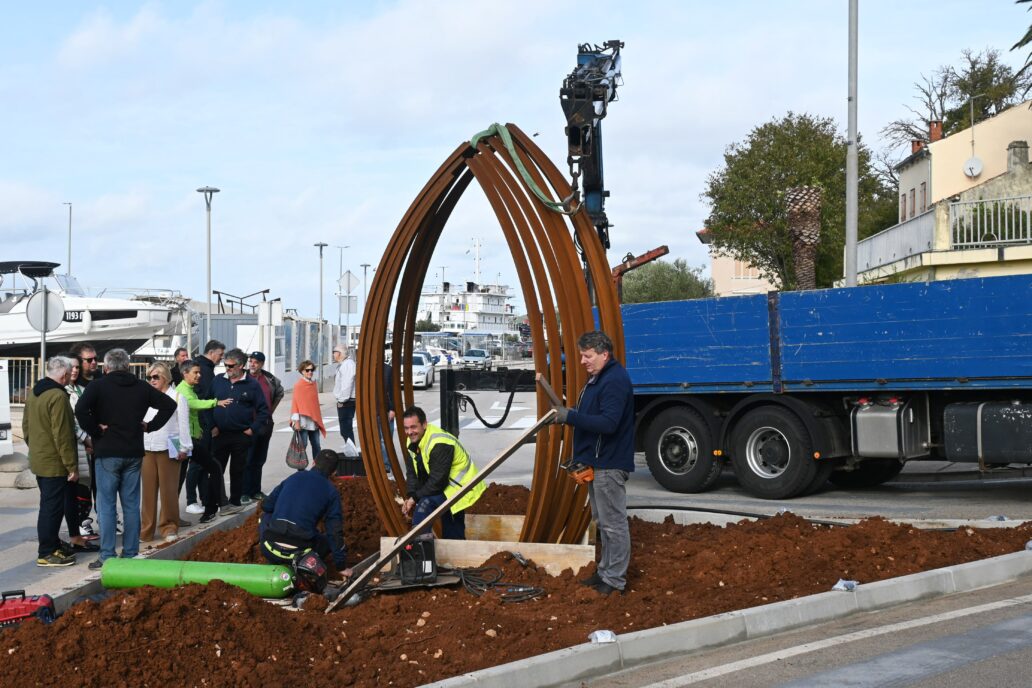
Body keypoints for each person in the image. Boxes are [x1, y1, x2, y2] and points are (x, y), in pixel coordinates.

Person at [75, 348, 177, 570]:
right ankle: (131, 553)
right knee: (131, 504)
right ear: (128, 366)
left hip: (107, 451)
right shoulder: (141, 386)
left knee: (106, 505)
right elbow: (170, 405)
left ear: (106, 367)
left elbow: (80, 410)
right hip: (133, 451)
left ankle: (107, 555)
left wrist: (95, 430)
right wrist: (150, 426)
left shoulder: (98, 386)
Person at [551, 330, 635, 595]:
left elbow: (609, 423)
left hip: (609, 463)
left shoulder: (614, 380)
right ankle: (605, 572)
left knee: (613, 524)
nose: (582, 361)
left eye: (587, 356)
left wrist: (570, 417)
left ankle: (614, 580)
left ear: (604, 354)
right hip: (598, 462)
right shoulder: (599, 379)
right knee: (603, 522)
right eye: (581, 356)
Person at [24, 356, 81, 567]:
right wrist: (71, 466)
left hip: (40, 458)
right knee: (52, 508)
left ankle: (53, 544)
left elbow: (26, 427)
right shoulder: (58, 396)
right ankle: (46, 552)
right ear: (64, 374)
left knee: (49, 505)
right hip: (54, 462)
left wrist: (36, 449)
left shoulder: (35, 392)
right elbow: (63, 435)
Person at [259, 449, 350, 577]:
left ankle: (274, 560)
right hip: (300, 555)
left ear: (313, 463)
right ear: (334, 472)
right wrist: (341, 566)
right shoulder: (331, 492)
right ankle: (305, 568)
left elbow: (266, 505)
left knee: (265, 517)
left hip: (269, 549)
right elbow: (335, 532)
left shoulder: (294, 477)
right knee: (327, 540)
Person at [400, 406, 485, 539]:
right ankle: (428, 545)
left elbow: (438, 481)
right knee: (446, 520)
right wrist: (411, 495)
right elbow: (412, 472)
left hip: (461, 487)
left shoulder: (440, 443)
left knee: (426, 505)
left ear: (424, 424)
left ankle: (422, 547)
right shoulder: (412, 441)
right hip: (445, 486)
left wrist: (415, 498)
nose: (410, 432)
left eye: (413, 427)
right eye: (406, 428)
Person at [212, 348, 270, 514]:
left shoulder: (252, 385)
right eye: (225, 365)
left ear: (241, 365)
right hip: (220, 434)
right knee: (216, 470)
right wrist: (212, 426)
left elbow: (263, 410)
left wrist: (252, 429)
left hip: (241, 435)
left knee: (238, 471)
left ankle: (235, 501)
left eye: (231, 366)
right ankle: (216, 503)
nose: (227, 369)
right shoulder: (218, 380)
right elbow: (207, 403)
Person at [140, 362, 192, 543]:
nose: (152, 380)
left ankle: (169, 526)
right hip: (147, 448)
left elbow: (183, 424)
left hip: (170, 448)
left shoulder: (178, 397)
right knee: (147, 492)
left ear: (166, 378)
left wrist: (184, 447)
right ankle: (146, 530)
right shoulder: (146, 397)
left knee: (168, 491)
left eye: (155, 377)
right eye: (149, 377)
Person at [177, 360, 230, 523]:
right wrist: (215, 402)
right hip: (184, 442)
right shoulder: (182, 391)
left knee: (184, 475)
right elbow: (193, 404)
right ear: (185, 373)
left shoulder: (189, 389)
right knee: (211, 467)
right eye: (195, 372)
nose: (199, 375)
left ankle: (210, 506)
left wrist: (198, 429)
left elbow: (191, 415)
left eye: (199, 372)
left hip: (189, 439)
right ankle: (215, 506)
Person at [184, 339, 225, 511]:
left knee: (203, 464)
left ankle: (205, 499)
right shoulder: (204, 371)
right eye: (220, 354)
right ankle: (191, 500)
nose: (221, 358)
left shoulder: (206, 368)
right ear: (212, 352)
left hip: (200, 425)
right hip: (199, 427)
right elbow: (203, 401)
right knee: (197, 464)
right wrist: (212, 424)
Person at [63, 355, 98, 548]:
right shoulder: (63, 392)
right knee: (75, 489)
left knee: (85, 486)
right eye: (71, 367)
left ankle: (84, 524)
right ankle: (77, 528)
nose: (75, 370)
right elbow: (71, 422)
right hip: (74, 445)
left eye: (77, 367)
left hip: (85, 447)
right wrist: (86, 438)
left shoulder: (82, 390)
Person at [243, 351, 284, 503]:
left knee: (259, 459)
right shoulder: (244, 377)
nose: (252, 364)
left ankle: (255, 490)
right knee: (247, 459)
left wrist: (269, 412)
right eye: (251, 361)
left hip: (265, 424)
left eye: (256, 362)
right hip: (249, 424)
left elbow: (279, 393)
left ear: (261, 364)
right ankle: (244, 492)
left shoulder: (269, 379)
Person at [290, 359, 326, 457]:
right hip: (303, 421)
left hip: (313, 421)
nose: (310, 372)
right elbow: (295, 404)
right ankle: (300, 466)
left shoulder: (313, 384)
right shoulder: (298, 385)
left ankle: (317, 465)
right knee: (303, 445)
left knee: (317, 445)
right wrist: (296, 422)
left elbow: (314, 404)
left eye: (311, 370)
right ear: (302, 371)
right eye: (307, 370)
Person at [332, 345, 356, 446]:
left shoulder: (348, 365)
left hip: (347, 401)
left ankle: (352, 451)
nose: (333, 354)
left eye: (334, 352)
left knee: (346, 429)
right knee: (345, 430)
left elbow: (347, 384)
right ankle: (350, 448)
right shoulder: (343, 365)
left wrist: (342, 400)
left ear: (339, 353)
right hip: (346, 401)